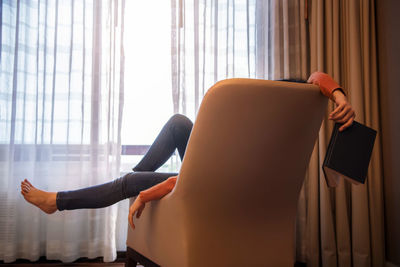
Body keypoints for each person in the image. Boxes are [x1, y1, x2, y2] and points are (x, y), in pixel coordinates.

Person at [20, 71, 356, 230]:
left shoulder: (258, 139)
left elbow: (201, 183)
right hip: (214, 177)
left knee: (128, 183)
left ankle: (57, 202)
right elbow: (315, 77)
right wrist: (338, 93)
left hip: (218, 188)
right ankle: (131, 180)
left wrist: (146, 192)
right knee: (179, 123)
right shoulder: (275, 131)